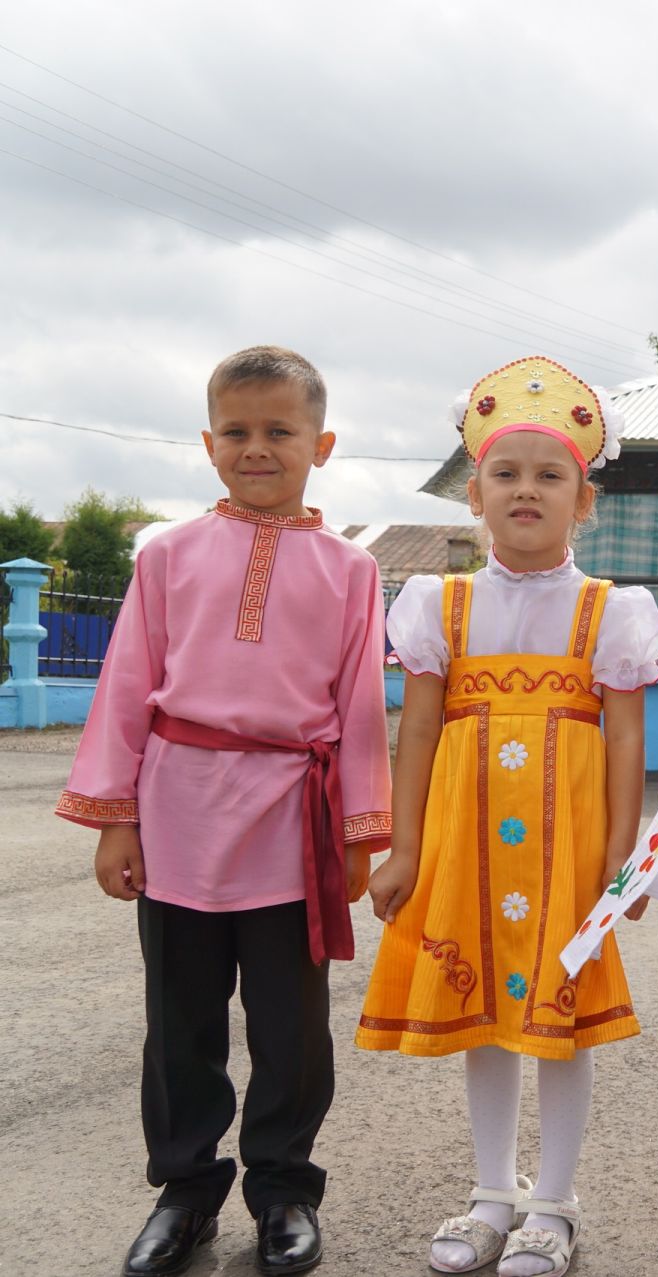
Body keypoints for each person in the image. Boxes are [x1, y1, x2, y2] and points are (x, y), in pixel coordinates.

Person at [57, 345, 393, 1277]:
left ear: (320, 443)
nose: (258, 447)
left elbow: (361, 708)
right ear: (209, 444)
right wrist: (117, 817)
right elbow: (127, 687)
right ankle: (184, 1192)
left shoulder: (350, 571)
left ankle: (284, 1189)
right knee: (182, 1019)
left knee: (292, 1026)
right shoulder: (165, 556)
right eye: (238, 431)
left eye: (279, 430)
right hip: (177, 812)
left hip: (293, 818)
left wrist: (360, 831)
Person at [355, 357, 658, 1277]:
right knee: (482, 1012)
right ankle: (494, 1190)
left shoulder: (611, 611)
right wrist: (404, 846)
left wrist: (623, 859)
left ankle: (555, 1203)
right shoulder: (437, 606)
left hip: (569, 853)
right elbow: (413, 736)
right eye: (506, 473)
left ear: (586, 499)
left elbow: (622, 745)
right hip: (466, 845)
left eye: (550, 474)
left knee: (559, 1018)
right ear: (474, 495)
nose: (526, 489)